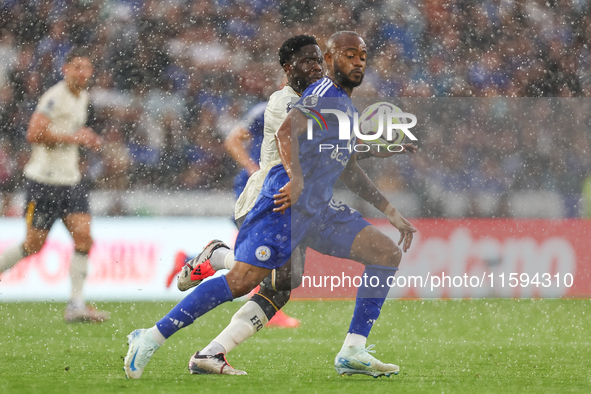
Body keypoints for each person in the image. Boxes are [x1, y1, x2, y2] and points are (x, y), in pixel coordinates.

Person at [124, 31, 416, 379]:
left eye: (362, 56)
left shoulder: (340, 105)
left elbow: (346, 164)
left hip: (316, 207)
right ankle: (153, 335)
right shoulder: (305, 98)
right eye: (348, 55)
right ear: (328, 60)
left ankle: (351, 350)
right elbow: (288, 135)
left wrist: (392, 206)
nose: (356, 62)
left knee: (372, 258)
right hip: (280, 201)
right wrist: (298, 177)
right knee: (245, 279)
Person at [0, 48, 109, 323]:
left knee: (84, 238)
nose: (82, 73)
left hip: (70, 181)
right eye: (77, 67)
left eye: (86, 68)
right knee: (33, 244)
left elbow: (73, 134)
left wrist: (86, 138)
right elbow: (33, 134)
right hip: (43, 182)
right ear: (66, 70)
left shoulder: (83, 96)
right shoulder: (54, 97)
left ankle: (76, 305)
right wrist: (75, 138)